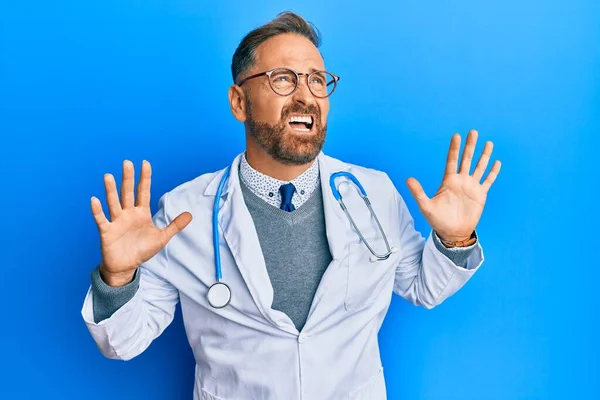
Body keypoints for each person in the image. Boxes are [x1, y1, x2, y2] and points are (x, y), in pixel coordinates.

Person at [81, 11, 501, 400]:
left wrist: (454, 237)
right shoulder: (184, 212)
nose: (306, 95)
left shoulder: (373, 194)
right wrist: (117, 277)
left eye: (317, 80)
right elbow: (124, 342)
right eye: (283, 78)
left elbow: (423, 287)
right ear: (239, 102)